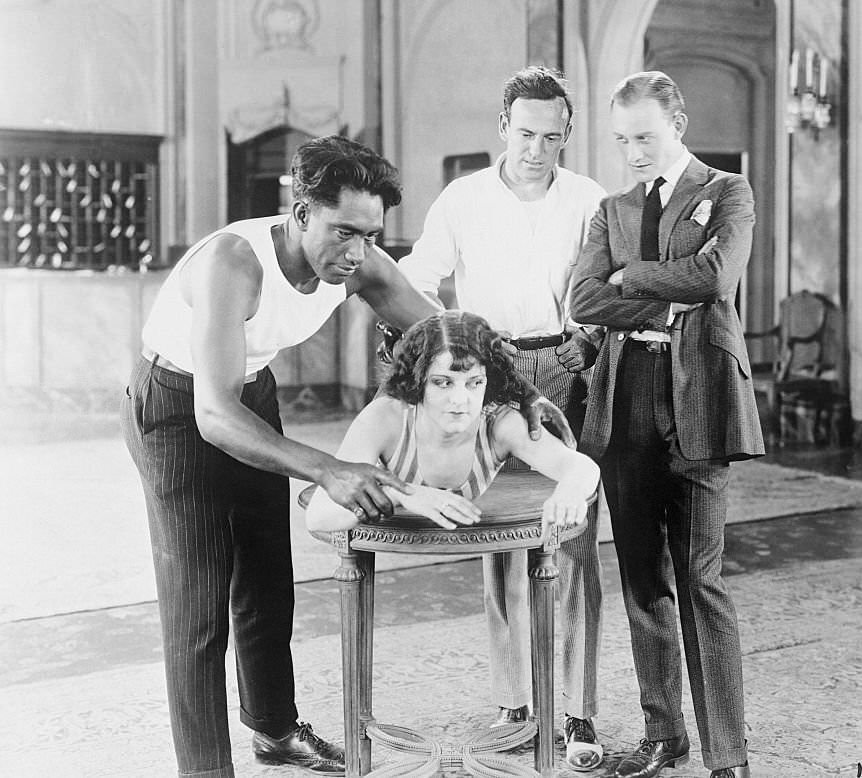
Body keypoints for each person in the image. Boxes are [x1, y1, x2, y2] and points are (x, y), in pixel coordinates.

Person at [120, 135, 571, 778]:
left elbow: (451, 339)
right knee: (199, 605)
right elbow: (214, 417)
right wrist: (330, 468)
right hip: (176, 403)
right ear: (301, 212)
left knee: (268, 579)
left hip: (250, 389)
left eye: (369, 234)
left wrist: (521, 394)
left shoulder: (360, 262)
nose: (356, 252)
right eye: (342, 232)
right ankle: (204, 771)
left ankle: (275, 733)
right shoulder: (234, 263)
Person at [396, 66, 607, 769]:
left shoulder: (587, 199)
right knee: (499, 537)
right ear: (502, 129)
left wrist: (592, 337)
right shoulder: (463, 199)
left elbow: (607, 293)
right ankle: (514, 701)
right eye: (525, 134)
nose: (536, 150)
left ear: (567, 135)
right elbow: (417, 280)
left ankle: (577, 712)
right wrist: (453, 349)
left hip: (567, 366)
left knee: (571, 536)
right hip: (490, 375)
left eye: (552, 137)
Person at [570, 71, 764, 778]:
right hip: (625, 400)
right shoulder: (611, 207)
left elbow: (716, 279)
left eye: (645, 137)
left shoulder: (727, 191)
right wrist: (656, 298)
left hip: (700, 398)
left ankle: (728, 755)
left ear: (677, 123)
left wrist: (632, 278)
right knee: (641, 578)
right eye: (622, 141)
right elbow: (585, 295)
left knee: (701, 578)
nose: (634, 153)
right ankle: (663, 734)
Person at [305, 309, 599, 538]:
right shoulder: (385, 418)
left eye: (474, 383)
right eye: (442, 383)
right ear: (417, 382)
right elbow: (319, 516)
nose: (460, 400)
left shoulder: (498, 422)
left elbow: (581, 466)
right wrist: (402, 494)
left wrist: (570, 490)